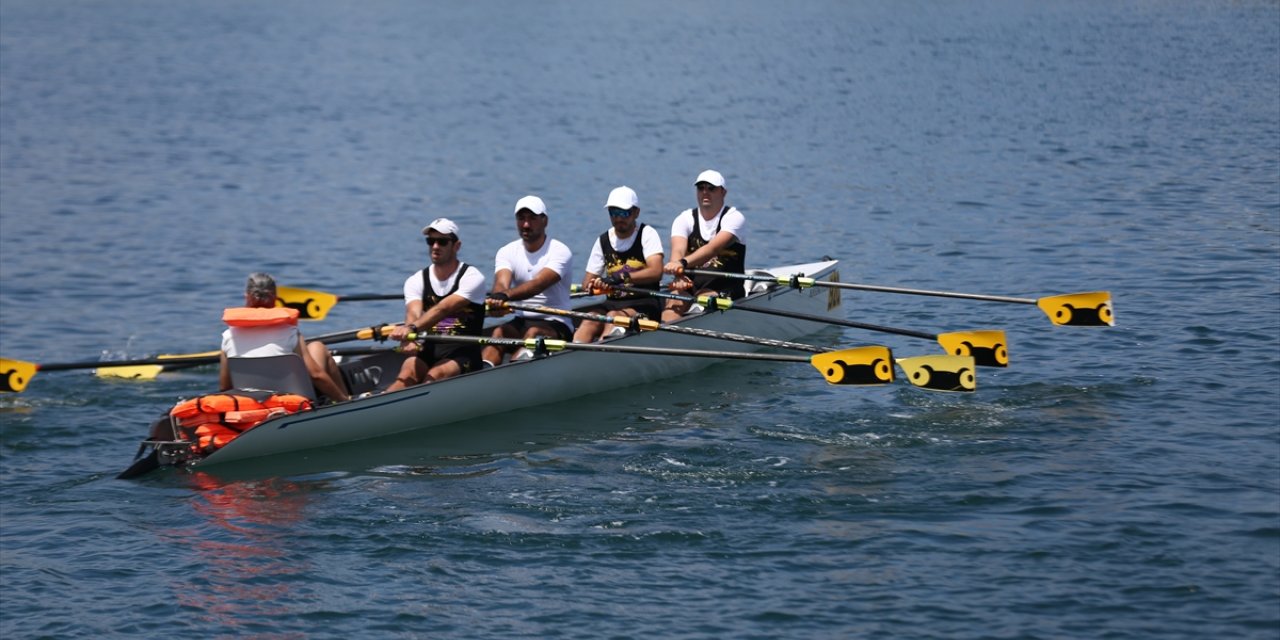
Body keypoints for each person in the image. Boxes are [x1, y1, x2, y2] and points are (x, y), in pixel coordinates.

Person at [382, 218, 488, 392]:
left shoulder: (472, 277)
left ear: (457, 246)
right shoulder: (416, 280)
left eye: (442, 241)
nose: (435, 246)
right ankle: (380, 408)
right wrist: (409, 337)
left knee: (435, 375)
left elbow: (443, 308)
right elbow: (413, 312)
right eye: (431, 241)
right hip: (429, 348)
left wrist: (412, 329)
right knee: (406, 375)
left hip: (463, 351)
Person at [218, 272, 351, 403]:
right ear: (275, 298)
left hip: (253, 403)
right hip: (294, 402)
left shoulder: (228, 336)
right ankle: (346, 402)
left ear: (247, 296)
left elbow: (225, 387)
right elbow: (315, 375)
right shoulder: (290, 332)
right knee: (317, 346)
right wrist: (341, 399)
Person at [483, 195, 575, 365]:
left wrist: (506, 296)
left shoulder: (560, 251)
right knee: (498, 333)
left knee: (533, 333)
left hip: (557, 322)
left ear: (545, 221)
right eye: (521, 219)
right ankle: (484, 372)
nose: (526, 224)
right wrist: (497, 300)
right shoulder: (507, 251)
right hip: (521, 320)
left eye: (532, 218)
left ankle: (513, 373)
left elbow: (537, 285)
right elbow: (501, 284)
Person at [573, 186, 665, 343]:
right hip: (612, 303)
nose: (618, 218)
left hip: (644, 302)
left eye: (623, 213)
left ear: (636, 212)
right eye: (613, 213)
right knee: (589, 319)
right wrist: (595, 285)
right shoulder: (603, 240)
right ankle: (573, 353)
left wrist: (622, 277)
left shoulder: (647, 234)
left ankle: (600, 354)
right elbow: (587, 282)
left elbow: (656, 271)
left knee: (613, 317)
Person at [661, 169, 747, 322]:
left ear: (723, 192)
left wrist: (682, 264)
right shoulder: (685, 218)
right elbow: (678, 249)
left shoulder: (734, 218)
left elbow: (712, 248)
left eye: (711, 188)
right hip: (690, 285)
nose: (705, 192)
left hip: (724, 287)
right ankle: (662, 338)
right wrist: (678, 274)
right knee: (672, 305)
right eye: (701, 188)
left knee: (702, 302)